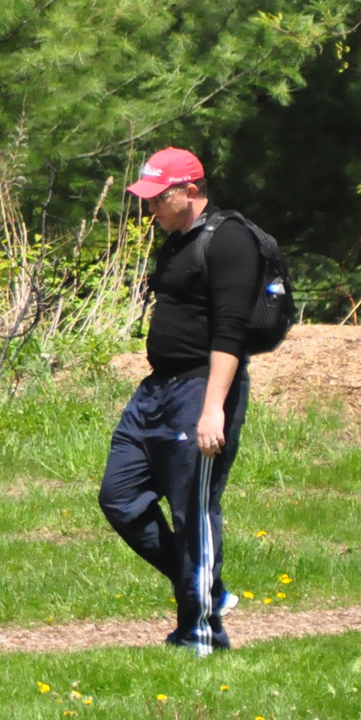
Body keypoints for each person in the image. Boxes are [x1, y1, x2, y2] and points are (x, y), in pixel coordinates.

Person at [98, 147, 259, 655]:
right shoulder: (174, 240)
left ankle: (201, 635)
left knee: (193, 511)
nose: (150, 211)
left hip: (201, 389)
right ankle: (206, 589)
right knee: (118, 496)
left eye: (157, 200)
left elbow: (232, 332)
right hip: (156, 389)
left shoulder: (230, 241)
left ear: (190, 191)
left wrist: (214, 407)